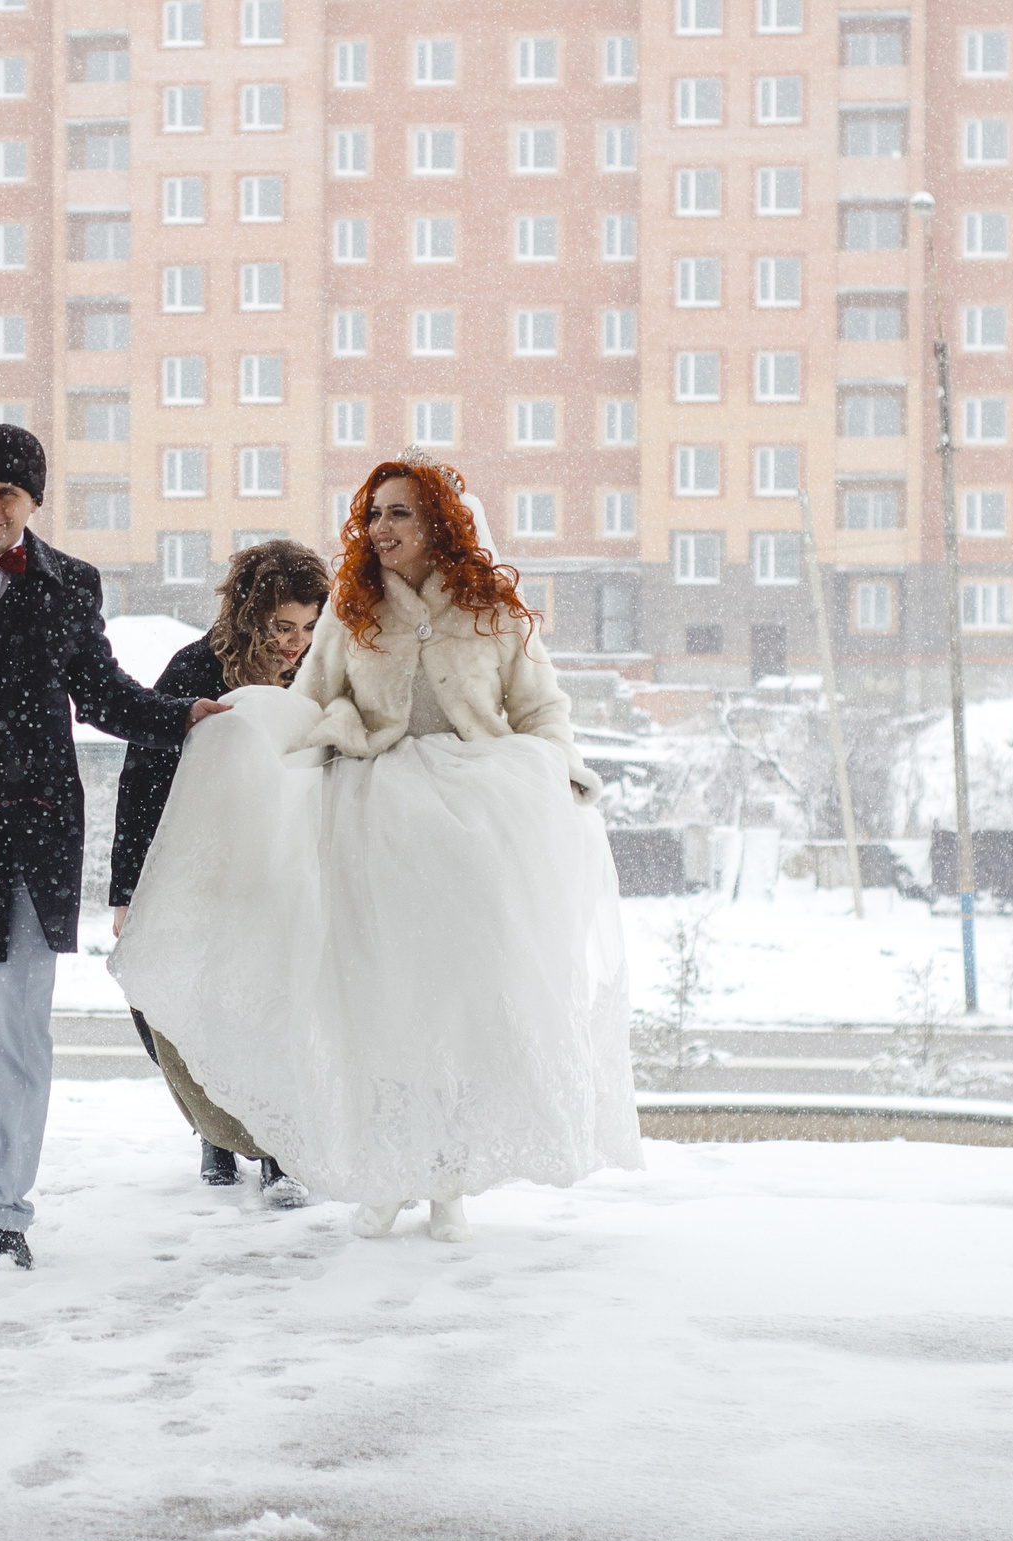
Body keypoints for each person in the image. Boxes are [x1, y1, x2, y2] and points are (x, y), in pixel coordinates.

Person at [109, 455, 640, 1243]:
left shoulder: (495, 609)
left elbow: (540, 708)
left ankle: (448, 1178)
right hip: (372, 822)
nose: (381, 528)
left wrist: (561, 776)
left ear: (440, 525)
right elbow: (314, 699)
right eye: (375, 513)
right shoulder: (352, 609)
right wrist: (247, 730)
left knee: (459, 1005)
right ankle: (392, 1174)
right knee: (379, 1008)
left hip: (472, 826)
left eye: (400, 514)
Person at [0, 424, 227, 1268]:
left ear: (34, 502)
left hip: (29, 838)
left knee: (20, 1033)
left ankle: (7, 1211)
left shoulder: (69, 586)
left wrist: (182, 715)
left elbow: (100, 692)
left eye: (7, 495)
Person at [106, 539, 332, 1201]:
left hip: (287, 866)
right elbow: (142, 779)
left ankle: (281, 1149)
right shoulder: (195, 668)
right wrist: (128, 889)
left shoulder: (320, 670)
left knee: (280, 1004)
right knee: (190, 1002)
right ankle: (215, 1128)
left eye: (309, 628)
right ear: (249, 615)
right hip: (204, 866)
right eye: (282, 628)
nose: (296, 644)